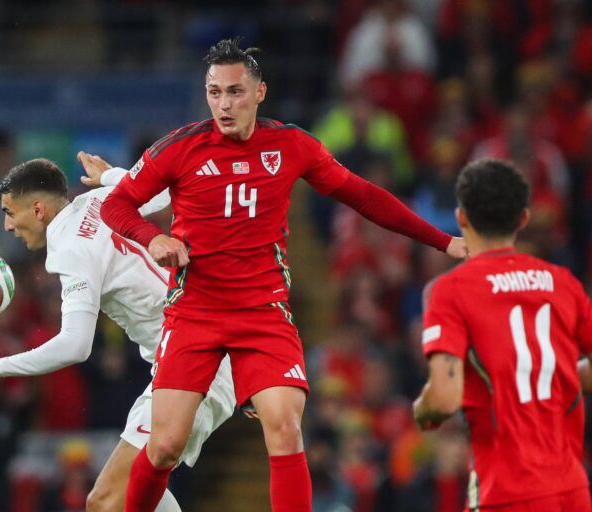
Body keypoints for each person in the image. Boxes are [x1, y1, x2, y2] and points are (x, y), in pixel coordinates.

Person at [90, 36, 467, 512]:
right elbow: (118, 204)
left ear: (259, 92)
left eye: (235, 92)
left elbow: (363, 195)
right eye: (215, 93)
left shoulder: (291, 145)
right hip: (195, 311)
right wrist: (154, 238)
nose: (224, 104)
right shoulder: (180, 148)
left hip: (262, 312)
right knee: (164, 444)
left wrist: (443, 240)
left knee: (286, 427)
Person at [0, 158, 237, 512]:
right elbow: (164, 195)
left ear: (37, 209)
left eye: (9, 212)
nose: (6, 226)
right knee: (132, 494)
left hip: (195, 364)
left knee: (105, 500)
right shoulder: (101, 199)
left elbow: (75, 345)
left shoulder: (70, 250)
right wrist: (112, 176)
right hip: (195, 355)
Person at [413, 158, 592, 511]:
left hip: (507, 490)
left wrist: (422, 411)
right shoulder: (562, 282)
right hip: (571, 490)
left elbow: (443, 398)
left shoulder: (450, 290)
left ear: (461, 218)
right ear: (523, 219)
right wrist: (542, 386)